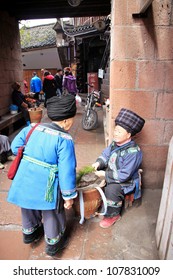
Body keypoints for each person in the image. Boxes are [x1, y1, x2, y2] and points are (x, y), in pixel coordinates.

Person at [7, 94, 77, 256]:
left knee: (28, 206)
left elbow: (15, 146)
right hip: (47, 182)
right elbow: (67, 169)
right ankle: (53, 244)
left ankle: (31, 233)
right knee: (52, 211)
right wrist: (68, 196)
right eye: (72, 119)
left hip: (25, 177)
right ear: (66, 120)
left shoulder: (32, 128)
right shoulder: (64, 139)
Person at [92, 108, 145, 229]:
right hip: (113, 172)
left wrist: (105, 175)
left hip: (126, 181)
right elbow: (105, 154)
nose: (115, 133)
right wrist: (98, 163)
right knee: (95, 178)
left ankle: (113, 215)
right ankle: (103, 202)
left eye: (119, 131)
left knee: (112, 189)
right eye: (115, 129)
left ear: (129, 135)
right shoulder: (115, 143)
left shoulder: (133, 152)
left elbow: (124, 175)